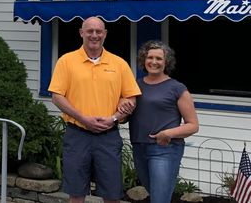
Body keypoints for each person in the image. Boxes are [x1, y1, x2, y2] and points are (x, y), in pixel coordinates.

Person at [48, 16, 142, 203]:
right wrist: (83, 119)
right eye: (90, 31)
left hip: (108, 136)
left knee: (112, 193)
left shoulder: (119, 64)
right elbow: (57, 97)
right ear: (81, 33)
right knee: (76, 193)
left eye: (99, 31)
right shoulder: (66, 61)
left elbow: (131, 98)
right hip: (77, 135)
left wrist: (114, 118)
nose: (94, 35)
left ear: (105, 34)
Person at [129, 40, 199, 203]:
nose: (153, 62)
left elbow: (193, 125)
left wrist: (168, 133)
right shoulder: (134, 86)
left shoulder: (177, 88)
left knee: (159, 198)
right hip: (139, 147)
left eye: (159, 59)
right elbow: (127, 114)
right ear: (143, 60)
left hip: (164, 149)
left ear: (166, 62)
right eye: (150, 57)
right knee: (154, 194)